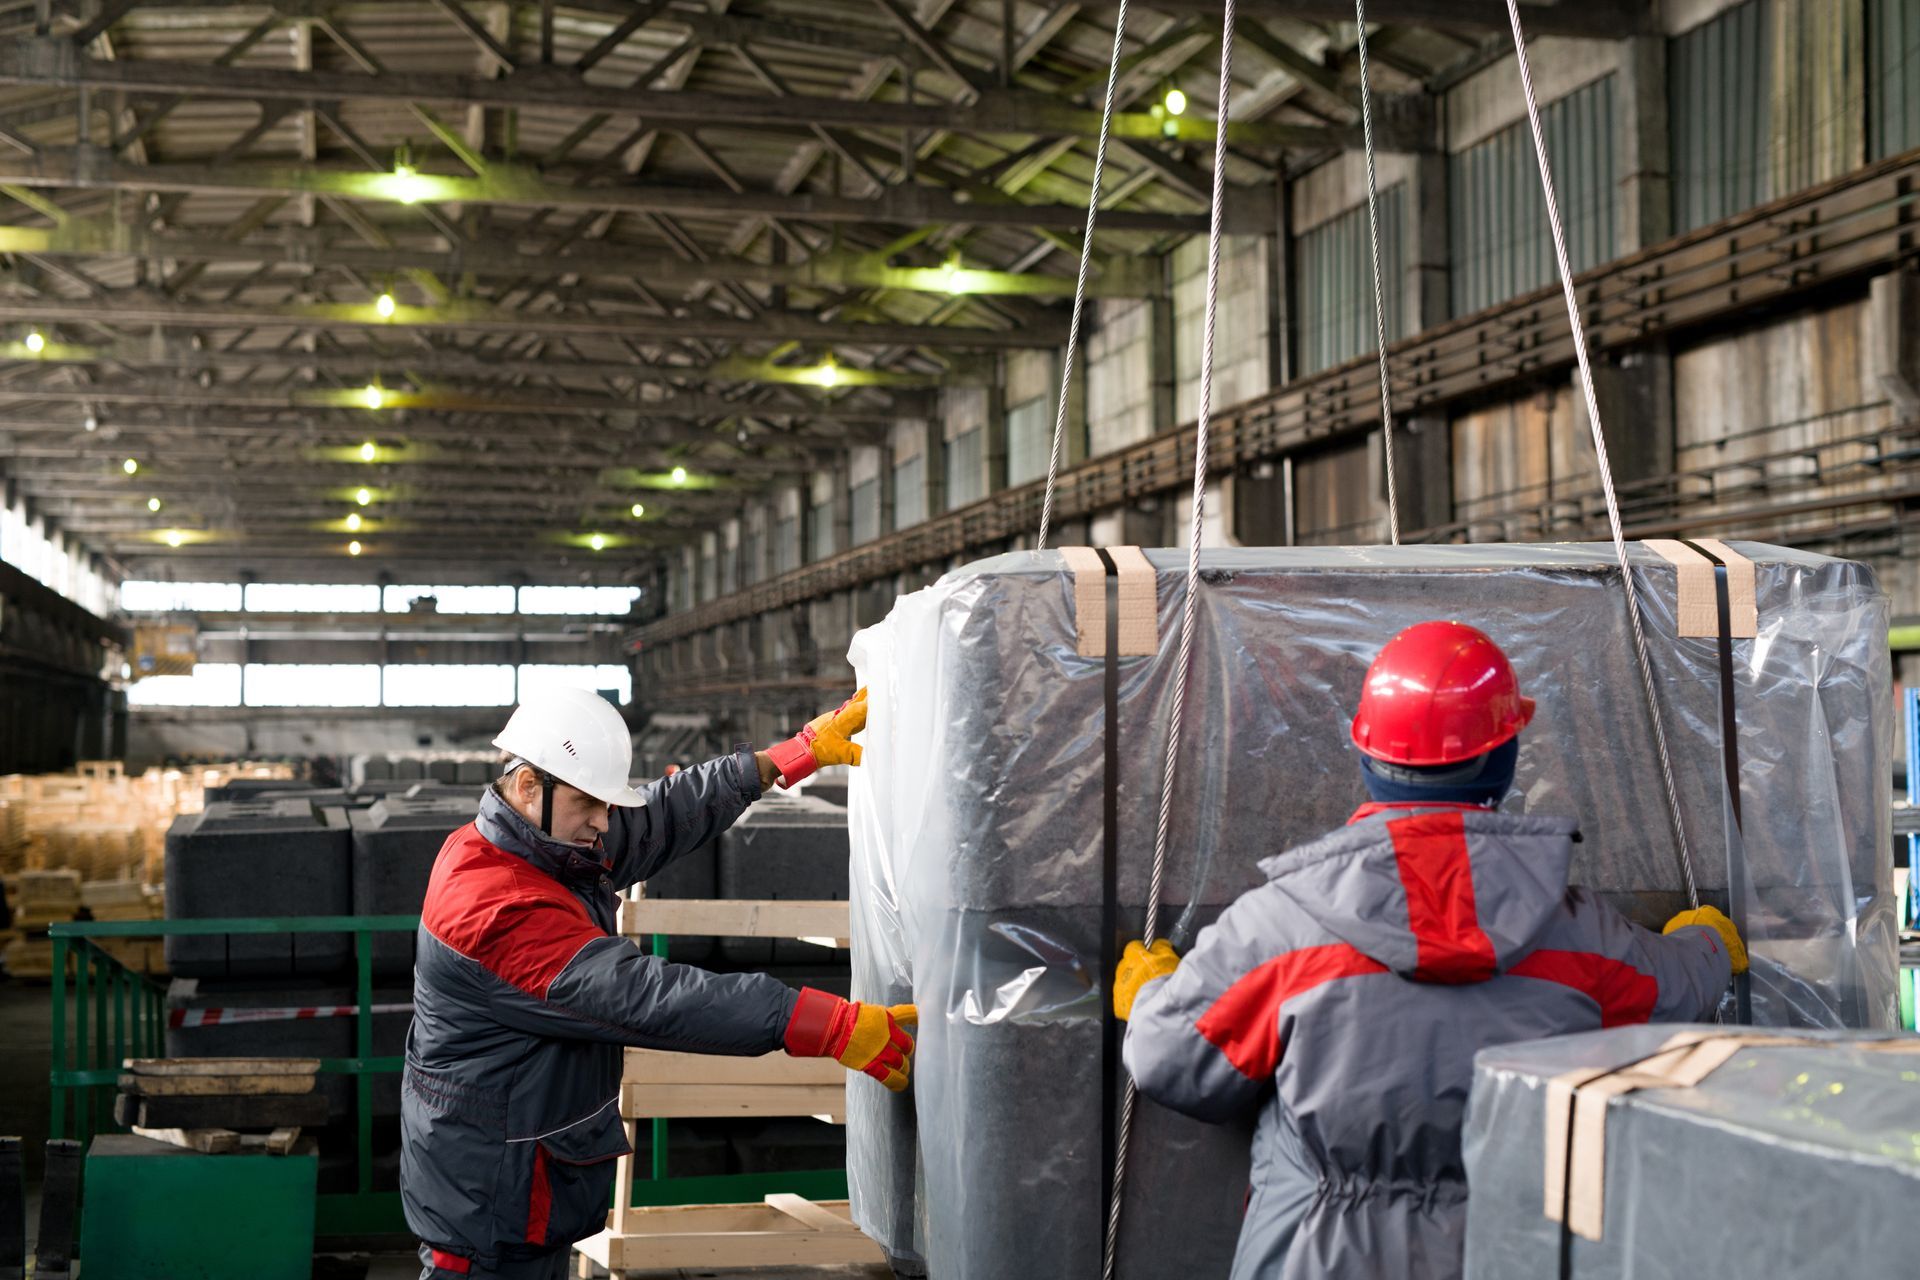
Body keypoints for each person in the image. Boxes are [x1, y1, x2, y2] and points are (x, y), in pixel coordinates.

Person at [1115, 620, 1743, 1280]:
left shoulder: (1278, 932)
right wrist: (1706, 943)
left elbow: (1168, 1058)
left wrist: (1157, 991)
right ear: (1504, 759)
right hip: (1512, 1253)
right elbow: (1676, 989)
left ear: (1367, 755)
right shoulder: (1583, 935)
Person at [401, 685, 915, 1279]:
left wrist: (783, 759)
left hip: (515, 1183)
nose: (604, 821)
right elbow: (644, 997)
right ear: (527, 787)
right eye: (590, 803)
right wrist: (821, 1023)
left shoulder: (535, 843)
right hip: (488, 1206)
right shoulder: (495, 907)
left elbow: (657, 818)